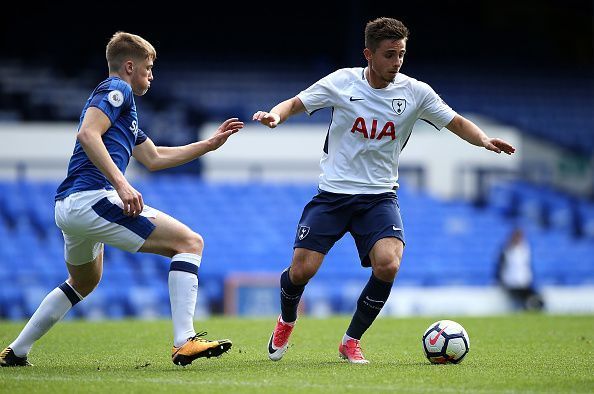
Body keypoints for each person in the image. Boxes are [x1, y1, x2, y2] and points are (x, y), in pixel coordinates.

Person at [253, 17, 516, 364]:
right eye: (389, 55)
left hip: (379, 196)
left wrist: (482, 140)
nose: (397, 63)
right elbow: (294, 103)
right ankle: (286, 320)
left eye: (402, 54)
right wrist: (276, 116)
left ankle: (350, 341)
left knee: (389, 264)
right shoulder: (341, 82)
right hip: (333, 194)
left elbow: (456, 121)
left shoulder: (415, 92)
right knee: (301, 270)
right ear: (368, 54)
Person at [0, 32, 243, 367]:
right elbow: (87, 134)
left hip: (70, 205)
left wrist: (208, 145)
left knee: (85, 280)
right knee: (190, 242)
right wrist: (121, 184)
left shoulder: (126, 114)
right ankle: (184, 340)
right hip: (91, 197)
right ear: (130, 66)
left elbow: (155, 157)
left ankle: (17, 351)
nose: (151, 74)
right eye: (148, 66)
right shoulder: (118, 89)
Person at [496, 227, 544, 311]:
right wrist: (502, 281)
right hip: (512, 283)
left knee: (538, 299)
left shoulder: (525, 249)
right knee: (521, 300)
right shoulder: (507, 250)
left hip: (525, 282)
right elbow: (500, 267)